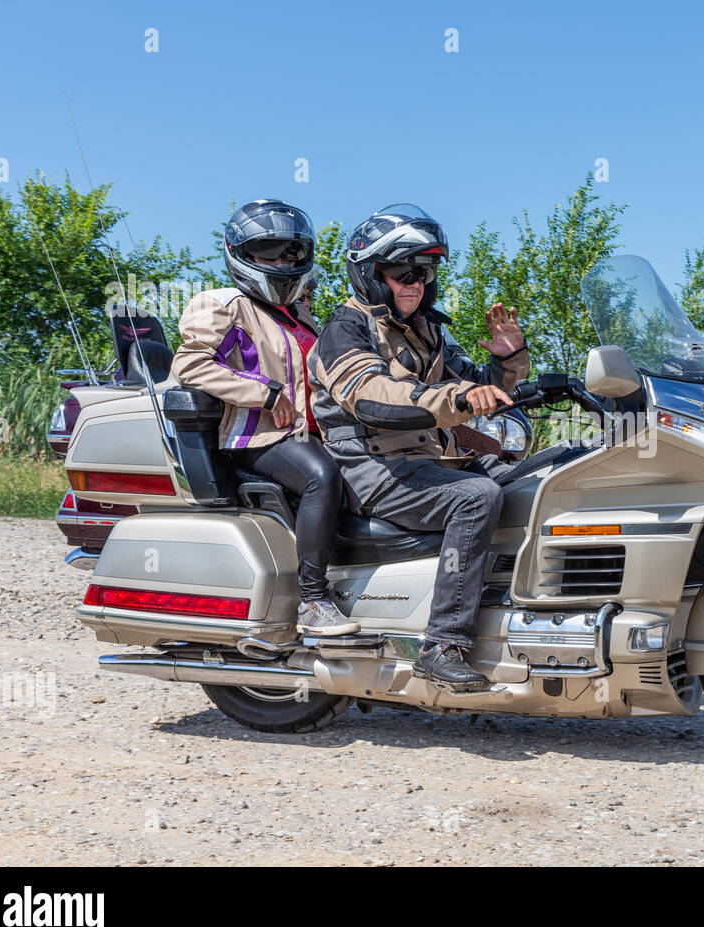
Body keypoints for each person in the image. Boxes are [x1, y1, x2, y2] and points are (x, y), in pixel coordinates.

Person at [310, 203, 529, 689]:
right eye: (400, 271)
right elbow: (372, 397)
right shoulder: (345, 330)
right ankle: (443, 644)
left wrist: (509, 359)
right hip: (375, 468)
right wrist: (461, 397)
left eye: (424, 271)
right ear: (370, 272)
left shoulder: (428, 331)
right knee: (477, 497)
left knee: (542, 479)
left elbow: (482, 388)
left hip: (430, 462)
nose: (414, 282)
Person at [171, 199, 359, 637]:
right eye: (269, 251)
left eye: (292, 252)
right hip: (259, 438)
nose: (283, 261)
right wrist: (261, 392)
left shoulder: (301, 315)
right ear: (240, 253)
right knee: (321, 478)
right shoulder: (223, 305)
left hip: (314, 434)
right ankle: (313, 601)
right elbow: (190, 364)